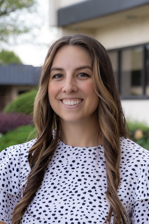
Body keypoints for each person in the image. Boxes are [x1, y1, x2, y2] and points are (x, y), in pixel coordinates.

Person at [0, 34, 149, 224]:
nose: (68, 87)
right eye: (58, 76)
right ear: (47, 86)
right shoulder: (12, 163)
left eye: (82, 74)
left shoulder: (141, 167)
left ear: (103, 83)